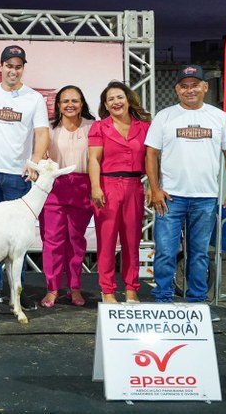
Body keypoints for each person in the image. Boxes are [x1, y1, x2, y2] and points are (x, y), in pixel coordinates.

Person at [145, 65, 226, 310]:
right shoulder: (164, 116)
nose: (190, 90)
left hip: (206, 198)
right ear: (177, 89)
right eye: (184, 86)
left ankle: (197, 305)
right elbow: (151, 154)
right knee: (165, 252)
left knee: (198, 254)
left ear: (205, 87)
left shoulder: (219, 117)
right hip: (170, 198)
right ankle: (163, 302)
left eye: (195, 85)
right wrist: (155, 188)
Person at [0, 45, 49, 311]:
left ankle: (18, 290)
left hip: (20, 176)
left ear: (22, 69)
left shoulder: (34, 98)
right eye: (9, 65)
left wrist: (35, 163)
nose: (13, 70)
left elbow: (42, 133)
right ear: (1, 67)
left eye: (18, 66)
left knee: (18, 238)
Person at [88, 80, 152, 303]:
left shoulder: (144, 127)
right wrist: (95, 187)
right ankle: (107, 291)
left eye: (119, 97)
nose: (116, 102)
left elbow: (153, 161)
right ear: (105, 105)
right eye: (111, 99)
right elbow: (94, 159)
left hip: (135, 187)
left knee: (132, 242)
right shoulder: (99, 127)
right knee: (106, 242)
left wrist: (154, 186)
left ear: (128, 99)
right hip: (107, 187)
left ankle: (132, 289)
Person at [38, 86, 95, 308]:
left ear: (82, 103)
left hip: (83, 186)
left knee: (76, 241)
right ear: (58, 105)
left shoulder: (93, 126)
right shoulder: (49, 129)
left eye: (75, 100)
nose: (70, 105)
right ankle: (52, 289)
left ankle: (75, 287)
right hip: (55, 187)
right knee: (52, 241)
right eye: (65, 101)